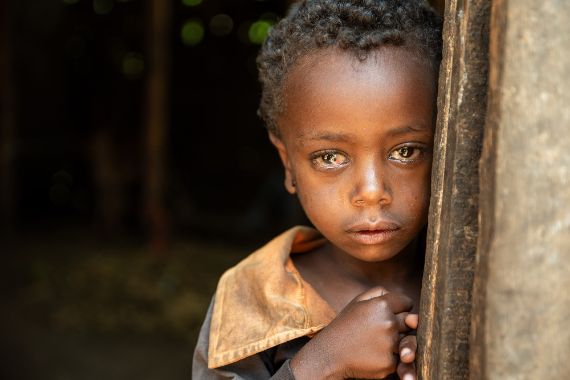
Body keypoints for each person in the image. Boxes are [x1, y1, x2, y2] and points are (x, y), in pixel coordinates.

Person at [193, 0, 442, 378]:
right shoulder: (252, 298)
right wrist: (324, 361)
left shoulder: (477, 275)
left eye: (405, 151)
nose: (372, 191)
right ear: (288, 163)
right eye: (330, 157)